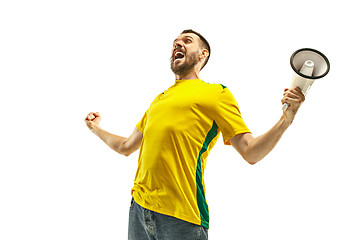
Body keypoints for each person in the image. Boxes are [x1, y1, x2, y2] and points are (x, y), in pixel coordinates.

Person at [84, 29, 305, 240]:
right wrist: (97, 129)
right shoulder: (159, 99)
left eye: (187, 41)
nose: (177, 44)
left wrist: (286, 120)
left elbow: (251, 152)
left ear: (203, 54)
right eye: (175, 42)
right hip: (139, 210)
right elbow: (126, 146)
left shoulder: (216, 94)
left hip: (181, 217)